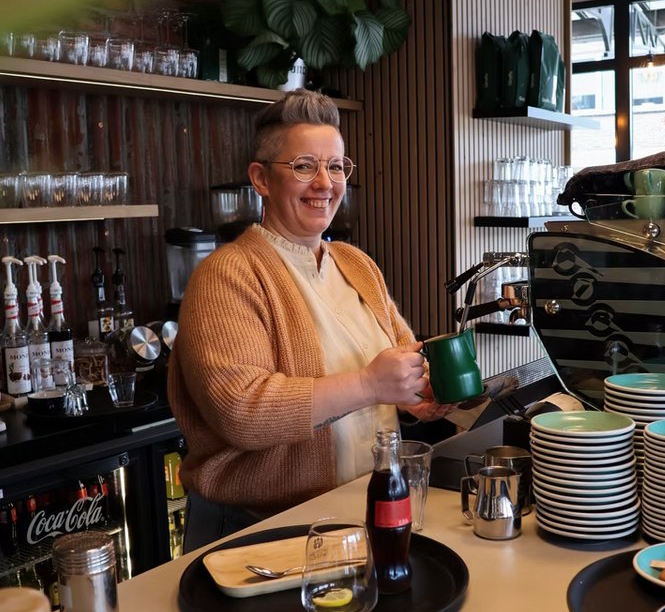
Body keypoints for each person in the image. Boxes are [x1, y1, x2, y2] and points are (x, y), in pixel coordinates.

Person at [168, 88, 454, 552]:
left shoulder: (355, 264)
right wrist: (369, 385)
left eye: (336, 166)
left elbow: (402, 360)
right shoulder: (227, 275)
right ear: (261, 178)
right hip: (257, 531)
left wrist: (419, 394)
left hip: (360, 510)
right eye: (304, 166)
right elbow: (242, 411)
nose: (325, 183)